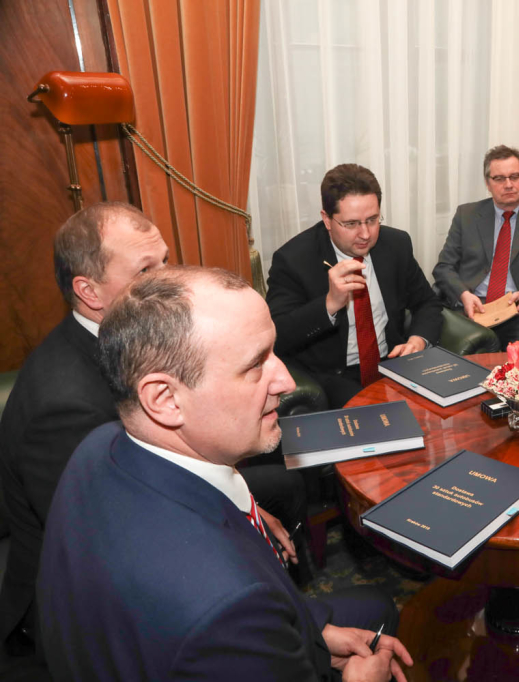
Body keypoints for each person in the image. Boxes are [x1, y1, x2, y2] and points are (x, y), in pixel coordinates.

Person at [38, 266, 413, 681]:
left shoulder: (96, 448)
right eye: (255, 364)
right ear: (164, 399)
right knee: (382, 607)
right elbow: (229, 613)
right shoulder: (226, 607)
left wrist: (316, 633)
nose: (286, 381)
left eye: (273, 353)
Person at [0, 203, 305, 660]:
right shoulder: (64, 407)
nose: (166, 279)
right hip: (91, 612)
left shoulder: (129, 344)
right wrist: (245, 528)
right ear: (89, 291)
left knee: (287, 481)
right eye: (145, 270)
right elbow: (109, 539)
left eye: (166, 260)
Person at [267, 164, 442, 409]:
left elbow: (427, 303)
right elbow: (277, 336)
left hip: (392, 362)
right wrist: (329, 304)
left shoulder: (396, 244)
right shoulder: (294, 259)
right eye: (351, 224)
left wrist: (418, 341)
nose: (365, 234)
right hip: (335, 375)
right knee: (378, 419)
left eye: (372, 220)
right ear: (327, 219)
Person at [432, 145, 519, 348]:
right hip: (472, 306)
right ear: (488, 183)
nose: (508, 184)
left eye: (515, 176)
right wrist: (464, 295)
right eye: (499, 178)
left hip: (515, 309)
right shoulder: (467, 215)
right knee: (460, 351)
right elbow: (443, 267)